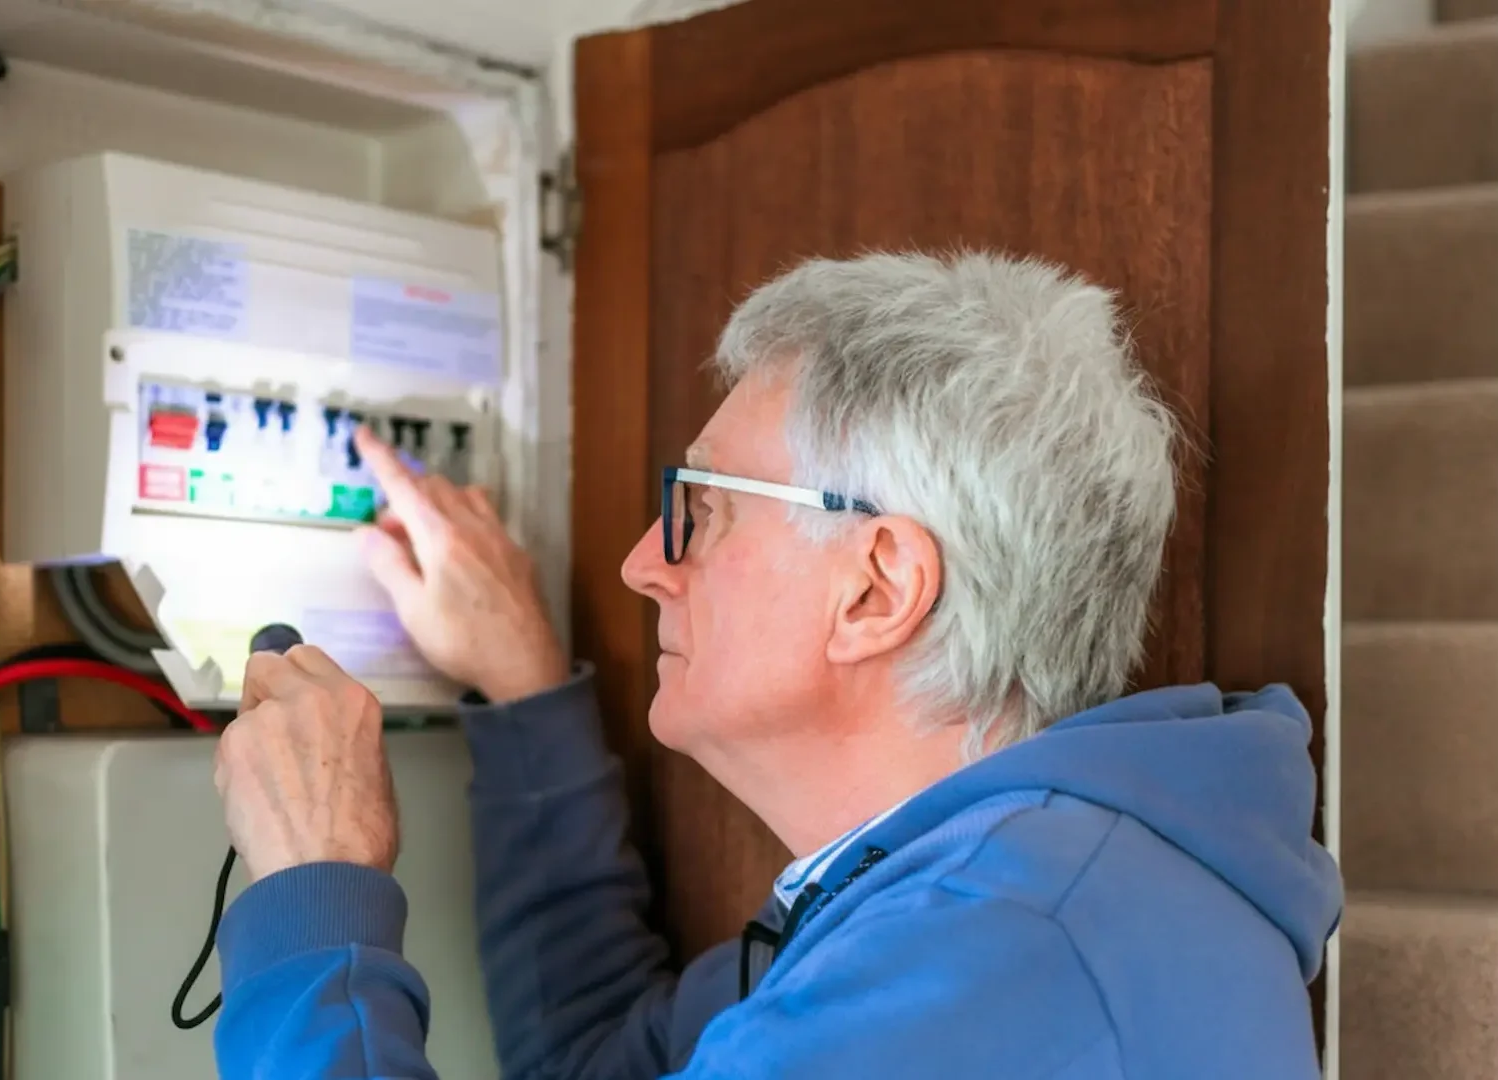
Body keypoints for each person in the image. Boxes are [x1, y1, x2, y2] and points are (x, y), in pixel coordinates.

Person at [210, 251, 1343, 1080]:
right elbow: (605, 1064)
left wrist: (319, 898)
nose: (644, 564)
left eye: (699, 511)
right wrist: (525, 696)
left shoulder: (995, 954)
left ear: (877, 588)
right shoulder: (988, 897)